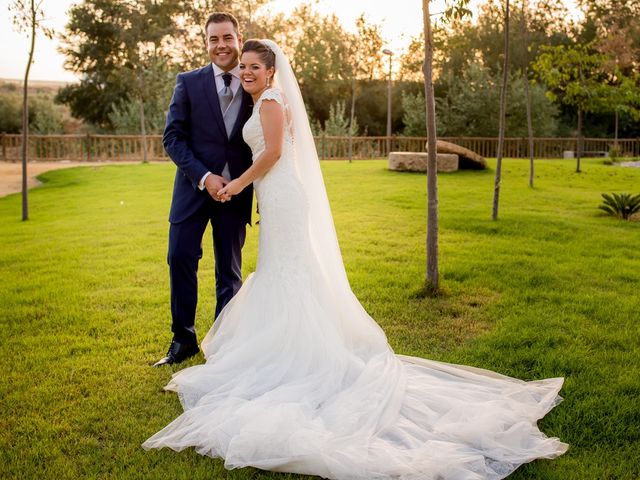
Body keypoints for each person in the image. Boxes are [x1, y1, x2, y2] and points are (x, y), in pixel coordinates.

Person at [143, 39, 568, 479]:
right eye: (244, 66)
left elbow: (271, 153)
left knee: (286, 274)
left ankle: (297, 356)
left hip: (280, 194)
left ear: (271, 71)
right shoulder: (266, 98)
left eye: (255, 65)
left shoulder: (269, 101)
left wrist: (235, 185)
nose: (247, 71)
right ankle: (284, 349)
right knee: (284, 273)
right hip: (277, 197)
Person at [153, 13, 254, 367]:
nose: (221, 45)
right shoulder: (188, 82)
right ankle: (183, 341)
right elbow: (173, 138)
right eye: (214, 39)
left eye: (227, 38)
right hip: (193, 190)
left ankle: (225, 345)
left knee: (229, 271)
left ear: (239, 39)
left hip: (237, 191)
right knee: (179, 258)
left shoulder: (254, 81)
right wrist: (204, 176)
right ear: (206, 43)